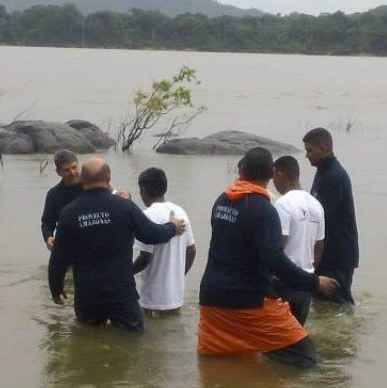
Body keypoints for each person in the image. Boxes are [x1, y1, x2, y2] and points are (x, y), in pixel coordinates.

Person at [198, 147, 338, 368]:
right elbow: (275, 260)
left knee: (223, 363)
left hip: (211, 298)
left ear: (240, 170)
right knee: (305, 357)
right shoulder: (264, 211)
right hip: (249, 300)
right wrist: (314, 282)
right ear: (271, 175)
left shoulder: (222, 201)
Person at [48, 157, 188, 333]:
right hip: (121, 294)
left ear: (83, 179)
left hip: (88, 295)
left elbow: (58, 259)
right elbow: (151, 234)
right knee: (132, 344)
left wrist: (56, 289)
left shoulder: (69, 213)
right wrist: (172, 227)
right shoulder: (124, 207)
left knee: (85, 343)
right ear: (108, 179)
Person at [303, 127, 359, 305]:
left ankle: (346, 333)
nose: (306, 155)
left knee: (338, 306)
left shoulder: (333, 176)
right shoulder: (323, 171)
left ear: (322, 147)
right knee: (323, 306)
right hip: (328, 253)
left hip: (337, 256)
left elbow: (321, 220)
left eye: (309, 150)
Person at [133, 167, 197, 315]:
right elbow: (192, 251)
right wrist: (178, 276)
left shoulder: (146, 216)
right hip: (176, 298)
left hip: (152, 300)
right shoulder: (181, 212)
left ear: (143, 190)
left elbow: (145, 258)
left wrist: (126, 272)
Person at [271, 155, 326, 325]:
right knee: (297, 332)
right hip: (306, 281)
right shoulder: (316, 205)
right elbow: (319, 245)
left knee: (276, 338)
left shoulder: (282, 204)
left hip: (283, 282)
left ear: (278, 174)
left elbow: (279, 244)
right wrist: (311, 272)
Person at [41, 150, 83, 251]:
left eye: (74, 167)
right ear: (58, 172)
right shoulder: (54, 194)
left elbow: (111, 196)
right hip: (68, 246)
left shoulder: (93, 185)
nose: (72, 172)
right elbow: (47, 222)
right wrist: (48, 237)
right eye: (67, 170)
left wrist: (124, 194)